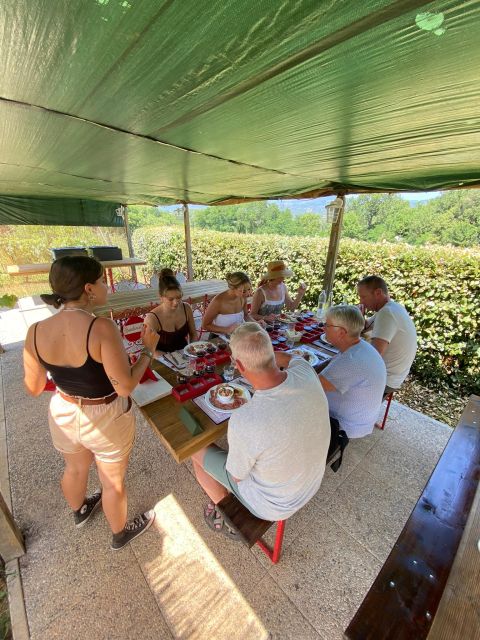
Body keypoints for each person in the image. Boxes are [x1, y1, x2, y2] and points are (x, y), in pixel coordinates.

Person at [23, 256, 158, 551]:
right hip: (105, 415)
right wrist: (147, 351)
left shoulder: (34, 331)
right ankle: (120, 534)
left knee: (74, 468)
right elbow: (124, 387)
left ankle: (81, 511)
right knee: (112, 481)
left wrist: (67, 379)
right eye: (101, 281)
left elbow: (33, 388)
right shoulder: (101, 328)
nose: (105, 287)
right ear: (89, 289)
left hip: (64, 409)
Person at [191, 323, 330, 538]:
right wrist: (262, 353)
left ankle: (224, 511)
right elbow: (292, 358)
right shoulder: (305, 371)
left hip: (272, 506)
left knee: (194, 448)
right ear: (270, 352)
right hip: (311, 484)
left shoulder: (245, 418)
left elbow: (237, 476)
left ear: (238, 365)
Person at [317, 305, 386, 439]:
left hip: (344, 426)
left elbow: (311, 386)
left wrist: (293, 362)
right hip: (362, 420)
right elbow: (332, 362)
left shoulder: (351, 361)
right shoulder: (361, 346)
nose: (323, 327)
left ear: (341, 332)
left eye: (327, 325)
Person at [357, 275, 417, 394]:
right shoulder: (391, 307)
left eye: (363, 297)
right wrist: (360, 315)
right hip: (394, 377)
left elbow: (375, 354)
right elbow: (364, 327)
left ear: (378, 293)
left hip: (384, 380)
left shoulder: (387, 313)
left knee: (334, 374)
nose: (361, 302)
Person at [143, 268, 196, 354]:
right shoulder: (152, 318)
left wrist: (192, 349)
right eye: (170, 299)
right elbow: (149, 350)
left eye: (179, 297)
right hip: (161, 359)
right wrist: (170, 359)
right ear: (161, 297)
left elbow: (193, 334)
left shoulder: (186, 308)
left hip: (184, 356)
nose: (176, 303)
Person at [202, 271, 255, 336]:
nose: (248, 294)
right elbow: (205, 325)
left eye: (249, 289)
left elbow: (246, 316)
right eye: (243, 291)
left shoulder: (242, 297)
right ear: (233, 288)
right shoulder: (218, 301)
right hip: (219, 340)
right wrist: (227, 330)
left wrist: (256, 324)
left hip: (237, 338)